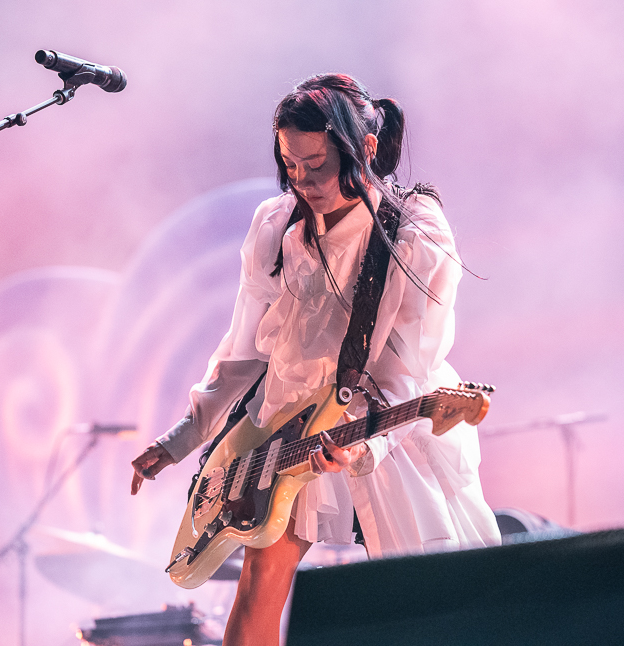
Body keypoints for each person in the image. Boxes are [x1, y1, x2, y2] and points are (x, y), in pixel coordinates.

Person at [130, 73, 500, 646]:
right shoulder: (276, 224)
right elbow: (243, 350)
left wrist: (365, 445)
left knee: (419, 601)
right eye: (290, 164)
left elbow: (408, 369)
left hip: (385, 425)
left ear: (365, 148)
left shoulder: (413, 232)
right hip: (282, 428)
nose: (302, 180)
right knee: (257, 590)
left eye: (318, 164)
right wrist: (184, 436)